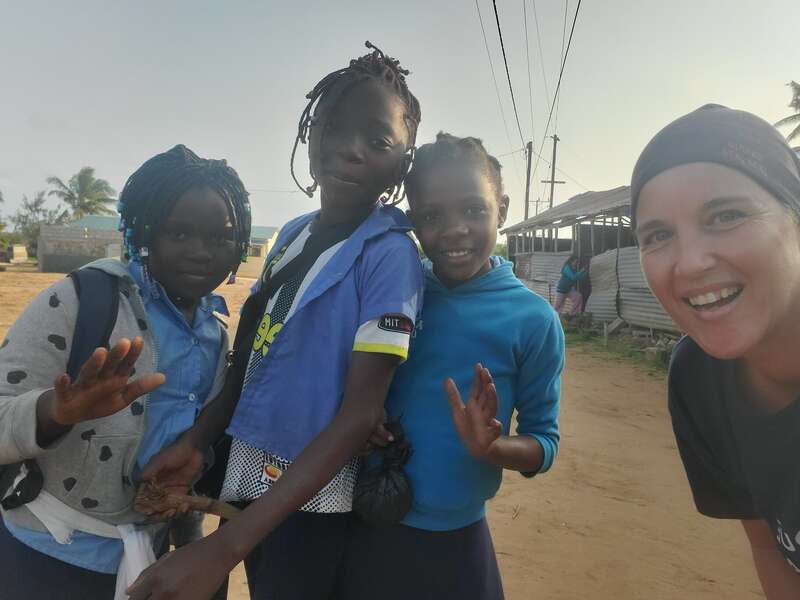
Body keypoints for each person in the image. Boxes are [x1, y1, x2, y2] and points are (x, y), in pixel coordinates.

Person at [129, 42, 424, 600]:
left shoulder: (389, 255)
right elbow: (251, 355)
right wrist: (199, 440)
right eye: (333, 129)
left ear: (402, 164)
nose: (350, 150)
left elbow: (360, 415)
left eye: (378, 141)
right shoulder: (292, 234)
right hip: (248, 461)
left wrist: (222, 548)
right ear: (309, 138)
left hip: (311, 494)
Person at [0, 144, 251, 600]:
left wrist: (189, 544)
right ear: (145, 231)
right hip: (48, 553)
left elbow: (187, 456)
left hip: (146, 562)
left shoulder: (215, 336)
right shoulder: (83, 301)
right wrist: (54, 412)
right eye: (180, 233)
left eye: (221, 238)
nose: (201, 252)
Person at [337, 133, 564, 600]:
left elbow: (544, 443)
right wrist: (365, 419)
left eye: (474, 210)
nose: (455, 230)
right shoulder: (396, 291)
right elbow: (349, 378)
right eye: (431, 216)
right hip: (365, 522)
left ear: (501, 209)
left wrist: (493, 448)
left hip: (456, 545)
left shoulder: (533, 320)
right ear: (413, 220)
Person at [631, 104, 800, 598]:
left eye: (727, 216)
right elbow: (770, 548)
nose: (690, 264)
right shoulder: (699, 378)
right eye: (658, 235)